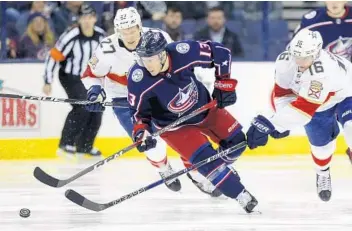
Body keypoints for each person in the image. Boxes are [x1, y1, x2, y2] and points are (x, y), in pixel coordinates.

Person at [81, 7, 222, 196]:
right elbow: (90, 74)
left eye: (132, 29)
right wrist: (95, 91)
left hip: (159, 93)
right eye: (124, 31)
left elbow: (177, 62)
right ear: (117, 31)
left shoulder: (158, 37)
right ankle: (163, 168)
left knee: (186, 133)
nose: (129, 35)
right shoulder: (106, 49)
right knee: (148, 141)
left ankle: (198, 174)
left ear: (140, 26)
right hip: (125, 99)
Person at [126, 30, 258, 213]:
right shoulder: (137, 77)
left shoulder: (182, 51)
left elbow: (221, 52)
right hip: (173, 127)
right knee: (207, 160)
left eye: (150, 59)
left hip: (204, 109)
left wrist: (223, 84)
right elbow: (138, 114)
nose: (146, 64)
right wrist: (142, 132)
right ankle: (240, 194)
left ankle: (203, 169)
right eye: (143, 59)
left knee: (237, 143)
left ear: (163, 54)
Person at [246, 29, 352, 202]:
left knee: (351, 129)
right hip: (318, 103)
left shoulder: (322, 72)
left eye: (305, 57)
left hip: (347, 93)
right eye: (296, 55)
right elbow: (281, 94)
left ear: (317, 53)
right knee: (321, 146)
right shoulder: (284, 61)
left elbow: (303, 111)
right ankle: (322, 172)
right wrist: (279, 120)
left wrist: (272, 124)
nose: (299, 61)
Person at [43, 4, 105, 156]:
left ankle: (85, 146)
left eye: (90, 17)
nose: (87, 21)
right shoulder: (71, 35)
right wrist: (47, 80)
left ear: (95, 19)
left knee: (97, 109)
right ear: (79, 19)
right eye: (83, 17)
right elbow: (54, 56)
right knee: (83, 105)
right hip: (71, 76)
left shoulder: (101, 36)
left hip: (90, 79)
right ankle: (66, 144)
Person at [295, 1, 352, 159]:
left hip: (349, 85)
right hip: (322, 86)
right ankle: (322, 170)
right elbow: (295, 51)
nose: (334, 2)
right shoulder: (312, 21)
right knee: (321, 141)